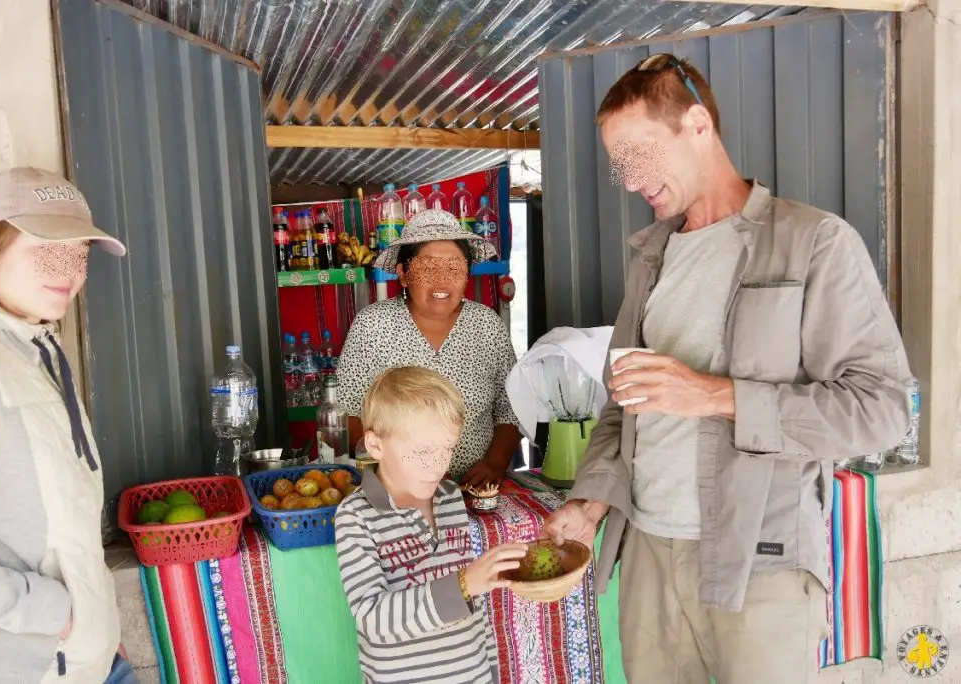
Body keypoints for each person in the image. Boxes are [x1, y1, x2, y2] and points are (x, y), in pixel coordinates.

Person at [543, 54, 911, 684]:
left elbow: (881, 411)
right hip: (649, 559)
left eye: (641, 154)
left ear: (697, 125)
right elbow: (620, 405)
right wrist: (590, 504)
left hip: (760, 565)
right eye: (620, 164)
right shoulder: (650, 259)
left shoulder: (814, 241)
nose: (632, 180)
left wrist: (718, 396)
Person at [0, 167, 138, 683]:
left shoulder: (34, 346)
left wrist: (93, 621)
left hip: (87, 658)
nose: (68, 270)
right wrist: (55, 613)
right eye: (47, 248)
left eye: (79, 253)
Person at [334, 366, 527, 684]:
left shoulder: (450, 496)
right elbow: (373, 618)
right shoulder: (355, 516)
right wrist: (463, 585)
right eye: (422, 451)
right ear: (376, 446)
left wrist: (488, 668)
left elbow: (473, 609)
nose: (437, 465)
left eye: (447, 449)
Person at [336, 208, 521, 487]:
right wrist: (395, 471)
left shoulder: (487, 325)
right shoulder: (372, 324)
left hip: (473, 487)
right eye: (428, 267)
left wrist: (494, 464)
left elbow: (510, 410)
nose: (442, 279)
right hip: (395, 488)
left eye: (454, 267)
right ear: (403, 274)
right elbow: (346, 413)